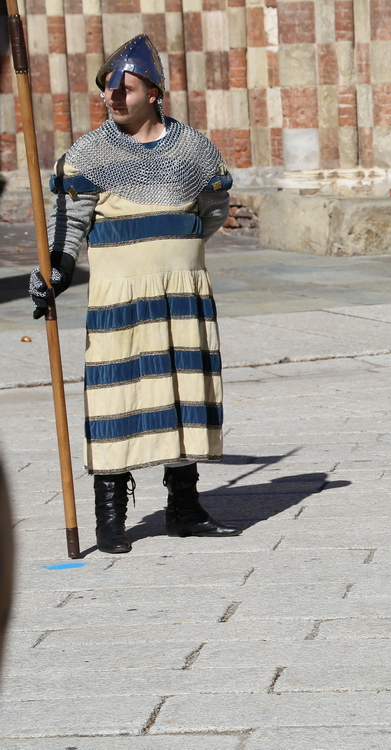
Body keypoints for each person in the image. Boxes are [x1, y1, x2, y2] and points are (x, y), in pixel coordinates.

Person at [28, 34, 239, 554]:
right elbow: (68, 226)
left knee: (181, 392)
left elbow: (213, 209)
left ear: (154, 90)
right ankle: (110, 513)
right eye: (107, 89)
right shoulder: (89, 155)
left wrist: (175, 249)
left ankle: (184, 509)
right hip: (119, 294)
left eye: (124, 87)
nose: (113, 97)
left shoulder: (193, 149)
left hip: (182, 290)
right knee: (115, 394)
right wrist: (54, 270)